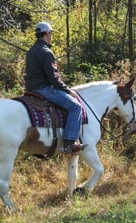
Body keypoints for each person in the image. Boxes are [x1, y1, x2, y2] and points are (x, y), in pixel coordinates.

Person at [24, 21, 87, 154]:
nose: (51, 36)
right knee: (76, 107)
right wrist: (67, 90)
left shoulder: (31, 51)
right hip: (44, 89)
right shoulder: (47, 52)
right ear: (46, 33)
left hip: (30, 90)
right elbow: (54, 78)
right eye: (51, 33)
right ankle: (70, 143)